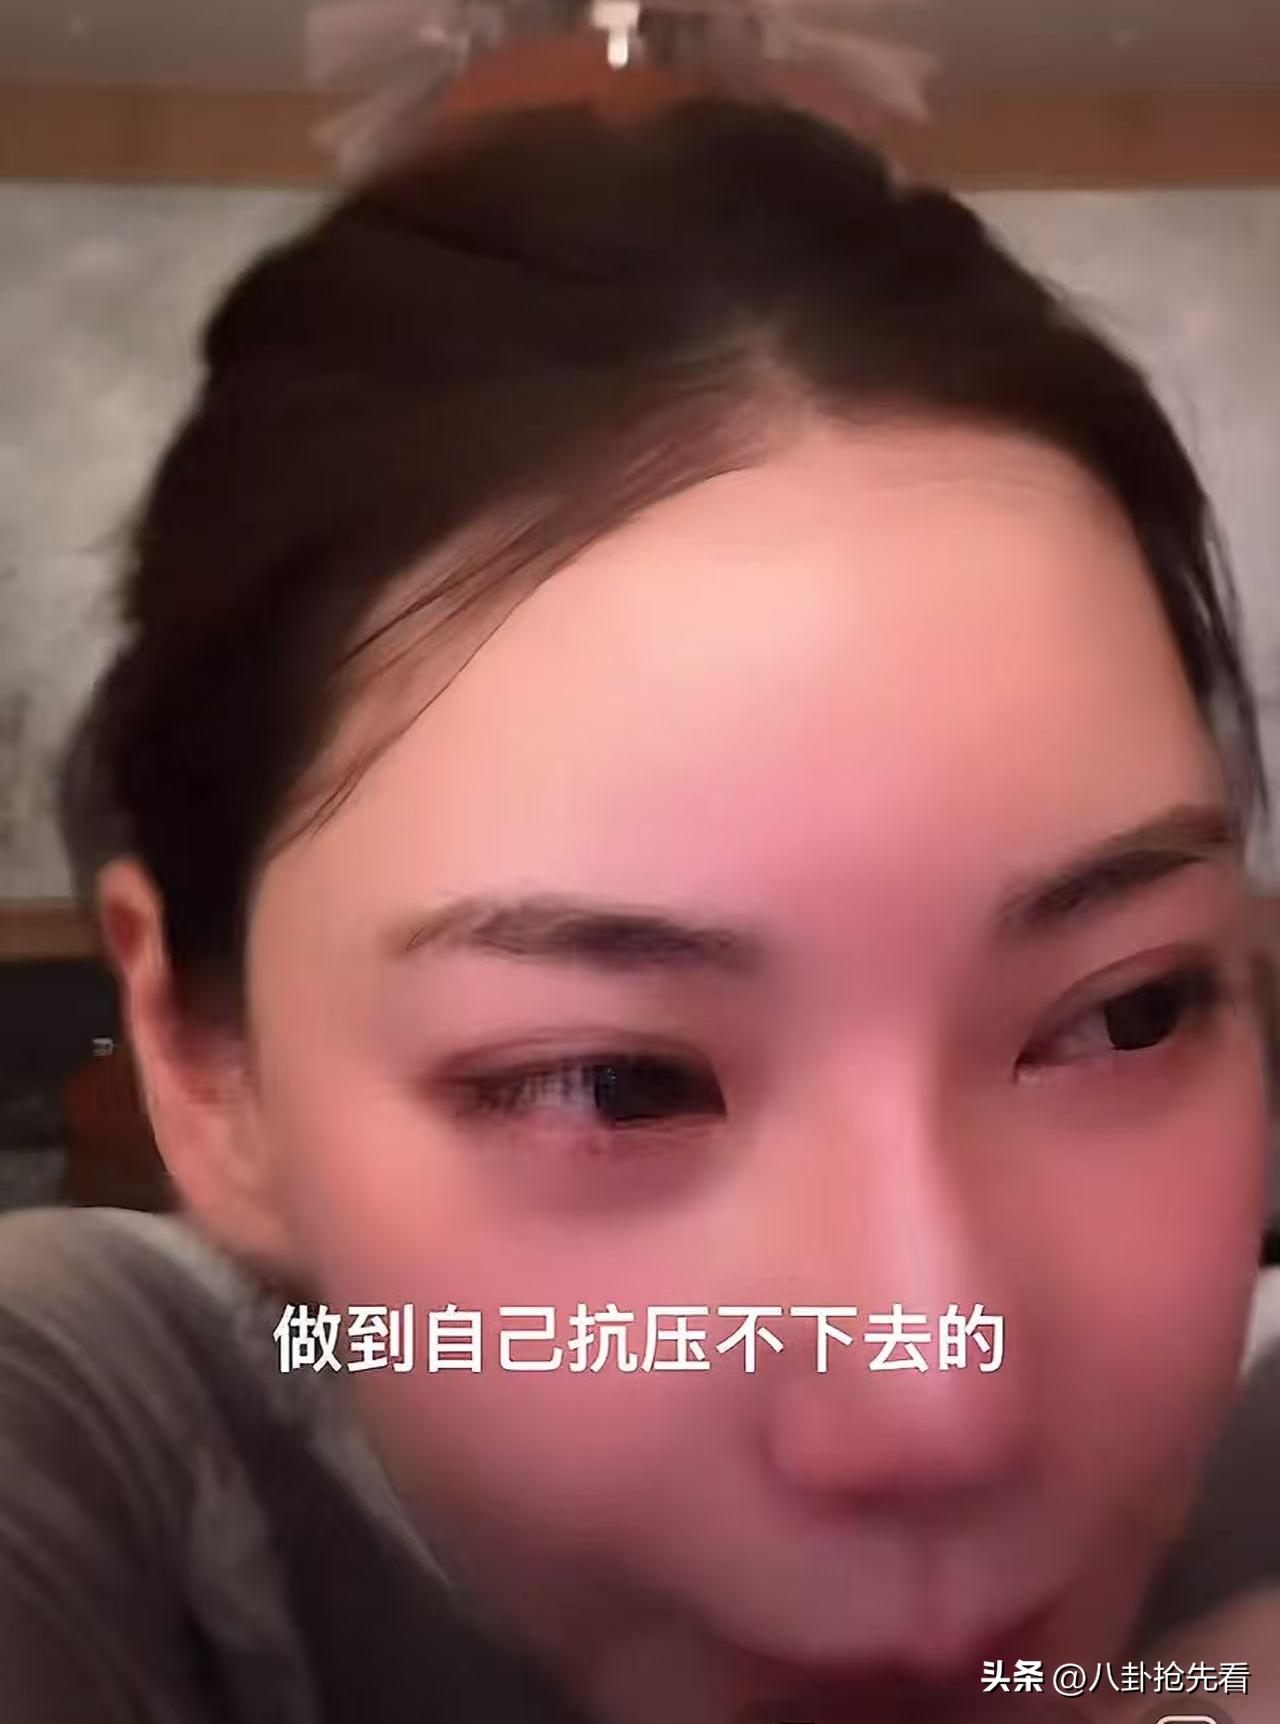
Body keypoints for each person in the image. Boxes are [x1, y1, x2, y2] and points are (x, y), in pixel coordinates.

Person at [2, 76, 1277, 1724]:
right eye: (615, 1084)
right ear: (204, 1065)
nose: (939, 1412)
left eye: (1129, 1015)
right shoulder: (90, 1421)